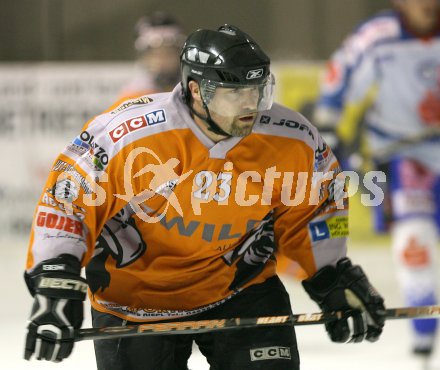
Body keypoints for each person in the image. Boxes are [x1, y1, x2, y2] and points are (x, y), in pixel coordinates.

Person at [23, 24, 386, 369]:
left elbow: (314, 212)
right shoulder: (127, 134)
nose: (251, 105)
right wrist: (56, 273)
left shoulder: (292, 137)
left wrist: (331, 275)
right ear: (196, 90)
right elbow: (67, 200)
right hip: (134, 300)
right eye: (236, 94)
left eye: (259, 90)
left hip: (240, 290)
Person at [313, 0, 440, 356]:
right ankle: (423, 345)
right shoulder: (377, 37)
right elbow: (338, 81)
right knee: (414, 243)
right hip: (403, 157)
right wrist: (330, 134)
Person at [118, 11, 186, 100]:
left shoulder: (191, 88)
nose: (163, 59)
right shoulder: (135, 93)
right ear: (145, 58)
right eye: (156, 54)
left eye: (169, 53)